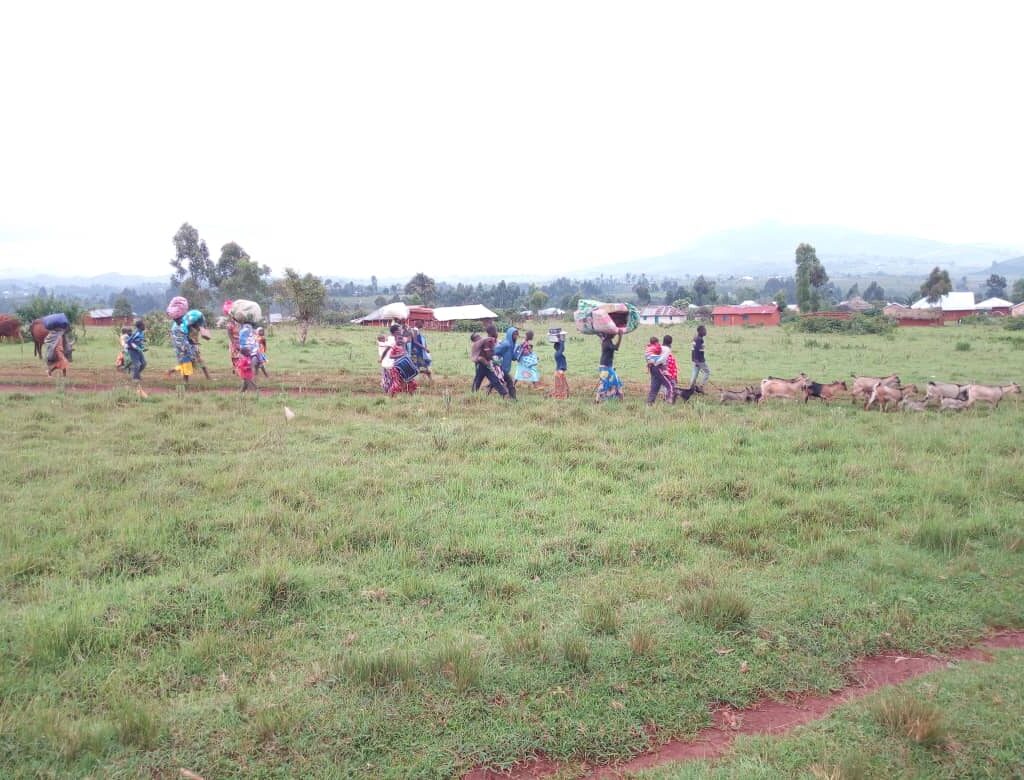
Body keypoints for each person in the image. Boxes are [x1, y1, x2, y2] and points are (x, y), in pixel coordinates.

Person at [379, 323, 417, 396]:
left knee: (408, 380)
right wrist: (382, 359)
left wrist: (409, 330)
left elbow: (408, 339)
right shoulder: (392, 340)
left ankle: (408, 395)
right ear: (395, 332)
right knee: (396, 382)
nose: (401, 331)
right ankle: (393, 395)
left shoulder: (399, 339)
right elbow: (388, 352)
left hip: (401, 364)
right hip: (393, 365)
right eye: (399, 330)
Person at [471, 325, 507, 397]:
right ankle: (473, 394)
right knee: (478, 379)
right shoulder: (479, 344)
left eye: (479, 336)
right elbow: (486, 354)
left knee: (493, 378)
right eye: (477, 337)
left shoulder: (485, 341)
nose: (479, 337)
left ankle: (503, 393)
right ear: (474, 340)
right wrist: (492, 358)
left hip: (486, 364)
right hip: (481, 364)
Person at [645, 336, 673, 405]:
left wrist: (652, 364)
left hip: (652, 368)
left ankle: (649, 403)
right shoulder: (667, 349)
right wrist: (656, 364)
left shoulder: (659, 347)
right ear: (671, 342)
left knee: (655, 386)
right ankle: (669, 402)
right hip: (658, 367)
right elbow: (662, 359)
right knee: (670, 385)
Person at [595, 331, 623, 402]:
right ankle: (598, 400)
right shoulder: (607, 342)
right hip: (605, 367)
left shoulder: (607, 341)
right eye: (613, 334)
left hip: (606, 366)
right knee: (606, 382)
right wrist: (620, 336)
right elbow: (616, 348)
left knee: (613, 381)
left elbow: (599, 334)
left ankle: (613, 399)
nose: (614, 335)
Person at [494, 326, 519, 400]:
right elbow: (495, 351)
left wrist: (518, 350)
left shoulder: (512, 345)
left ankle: (487, 391)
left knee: (495, 381)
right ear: (510, 334)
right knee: (510, 382)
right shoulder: (506, 344)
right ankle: (513, 398)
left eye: (517, 334)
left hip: (505, 368)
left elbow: (514, 358)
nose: (516, 336)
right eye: (514, 334)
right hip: (501, 367)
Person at [125, 318, 148, 398]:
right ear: (140, 326)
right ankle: (135, 378)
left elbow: (139, 341)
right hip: (132, 350)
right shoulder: (136, 333)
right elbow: (129, 342)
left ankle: (136, 374)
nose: (145, 326)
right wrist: (138, 348)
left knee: (144, 363)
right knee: (137, 364)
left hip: (138, 350)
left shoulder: (141, 332)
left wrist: (142, 347)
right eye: (143, 325)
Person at [690, 324, 710, 391]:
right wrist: (697, 360)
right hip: (700, 360)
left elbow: (695, 349)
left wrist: (695, 360)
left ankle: (691, 388)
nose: (706, 331)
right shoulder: (699, 339)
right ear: (700, 331)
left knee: (695, 373)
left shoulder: (696, 338)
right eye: (704, 330)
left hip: (696, 359)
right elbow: (696, 350)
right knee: (707, 372)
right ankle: (700, 387)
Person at [549, 332, 569, 399]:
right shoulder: (558, 353)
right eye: (560, 347)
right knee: (561, 384)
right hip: (560, 371)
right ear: (558, 348)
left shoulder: (556, 353)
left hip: (558, 370)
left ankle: (561, 394)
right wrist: (562, 340)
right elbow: (562, 347)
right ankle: (561, 395)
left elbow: (562, 348)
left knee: (559, 384)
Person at [662, 334, 679, 401]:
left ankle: (664, 395)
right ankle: (668, 397)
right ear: (671, 342)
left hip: (661, 369)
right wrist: (674, 374)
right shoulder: (668, 350)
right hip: (669, 370)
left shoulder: (660, 348)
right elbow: (671, 363)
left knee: (664, 383)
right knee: (670, 384)